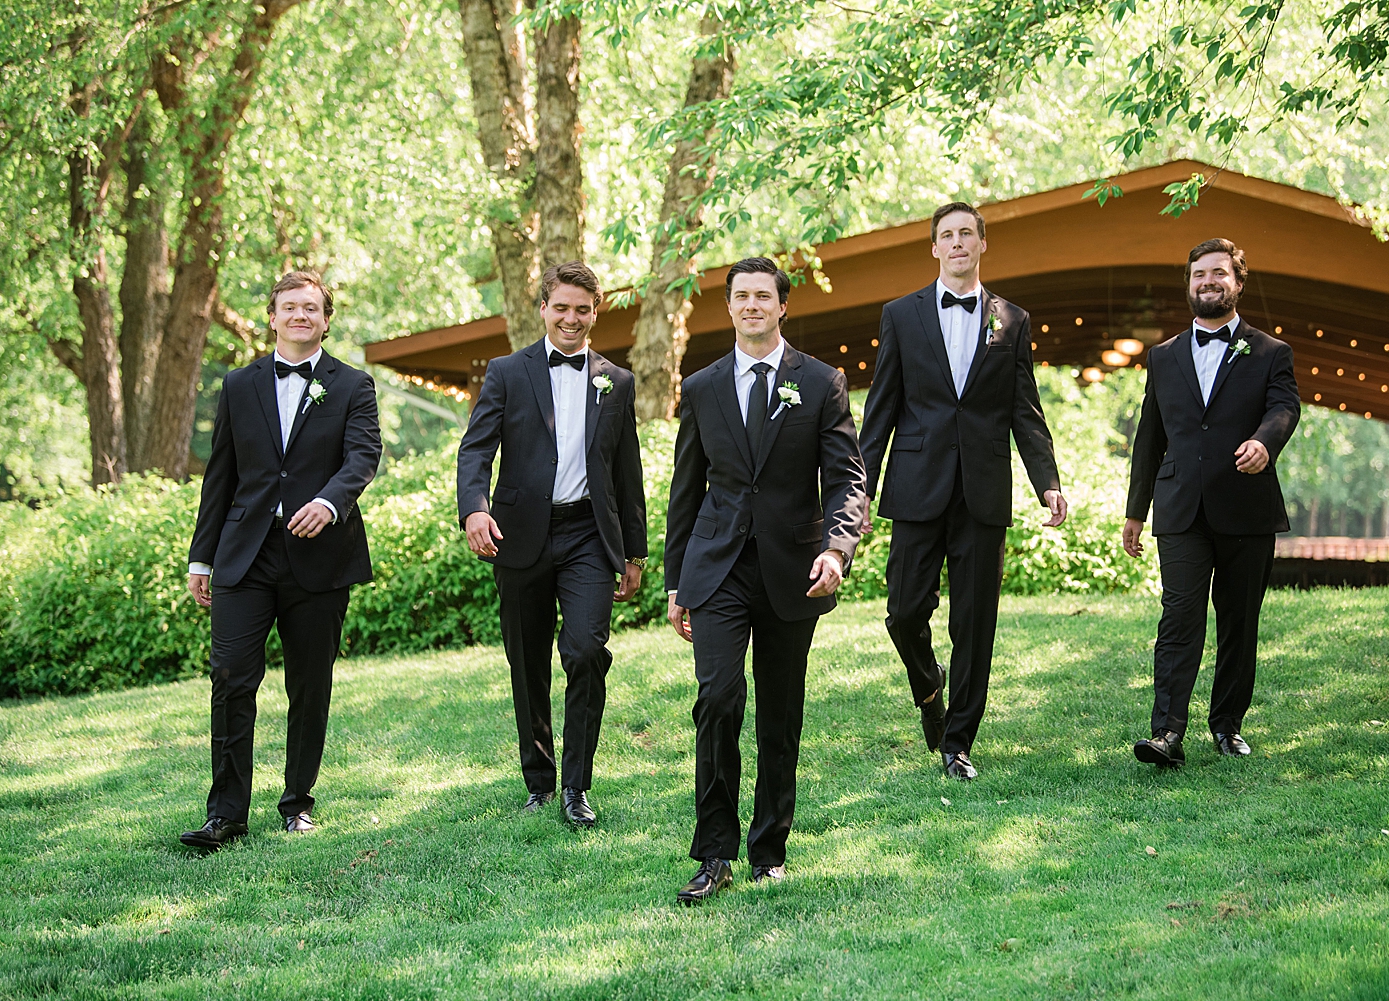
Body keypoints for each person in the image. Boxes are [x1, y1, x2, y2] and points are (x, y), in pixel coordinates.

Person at [665, 257, 867, 902]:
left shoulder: (821, 382)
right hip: (717, 570)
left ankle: (769, 849)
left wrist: (837, 551)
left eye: (764, 296)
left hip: (793, 572)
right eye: (740, 296)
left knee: (780, 714)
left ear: (782, 306)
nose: (752, 305)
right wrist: (677, 583)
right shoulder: (700, 387)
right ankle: (714, 851)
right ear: (728, 307)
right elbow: (684, 492)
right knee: (718, 698)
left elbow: (847, 479)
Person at [858, 202, 1067, 781]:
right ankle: (930, 689)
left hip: (983, 489)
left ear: (981, 245)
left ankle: (958, 742)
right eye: (945, 235)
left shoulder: (1012, 319)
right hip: (915, 485)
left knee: (975, 622)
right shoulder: (900, 315)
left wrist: (1046, 483)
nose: (955, 243)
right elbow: (880, 413)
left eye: (965, 235)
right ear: (934, 248)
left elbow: (1024, 410)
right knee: (902, 614)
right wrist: (859, 497)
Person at [181, 271, 382, 849]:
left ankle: (297, 803)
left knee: (310, 684)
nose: (300, 316)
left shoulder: (352, 385)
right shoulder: (239, 385)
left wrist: (330, 502)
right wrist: (202, 557)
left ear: (325, 320)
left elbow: (363, 455)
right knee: (230, 679)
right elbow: (220, 475)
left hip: (319, 555)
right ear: (272, 317)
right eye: (289, 307)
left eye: (311, 308)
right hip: (244, 555)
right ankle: (226, 815)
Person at [457, 261, 647, 826]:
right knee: (527, 660)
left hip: (589, 533)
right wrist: (474, 508)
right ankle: (539, 780)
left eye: (582, 309)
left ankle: (576, 786)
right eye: (560, 307)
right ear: (543, 308)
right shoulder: (507, 372)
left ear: (596, 313)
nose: (571, 318)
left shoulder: (618, 380)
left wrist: (632, 553)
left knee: (585, 650)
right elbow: (476, 450)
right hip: (519, 536)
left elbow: (627, 472)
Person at [1123, 237, 1300, 766]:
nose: (1208, 282)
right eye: (1199, 274)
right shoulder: (1163, 356)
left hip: (1246, 505)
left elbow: (1285, 407)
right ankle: (1167, 734)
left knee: (1239, 621)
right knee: (1179, 618)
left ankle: (1226, 725)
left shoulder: (1271, 352)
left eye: (1219, 273)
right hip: (1179, 508)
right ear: (1189, 284)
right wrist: (1136, 511)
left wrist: (1264, 443)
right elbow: (1149, 438)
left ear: (1238, 283)